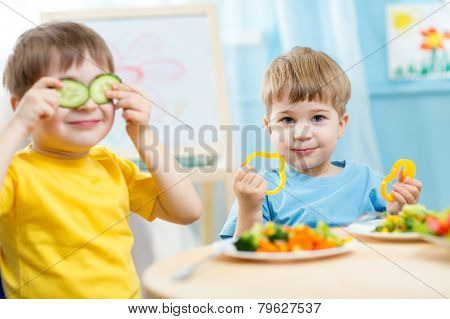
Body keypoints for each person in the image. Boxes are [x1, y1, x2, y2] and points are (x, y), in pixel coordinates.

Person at [0, 22, 201, 298]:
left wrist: (142, 134)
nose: (87, 104)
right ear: (21, 105)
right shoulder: (14, 173)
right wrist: (17, 125)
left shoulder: (112, 166)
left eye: (98, 88)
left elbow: (187, 211)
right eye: (65, 91)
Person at [221, 47, 422, 239]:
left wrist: (399, 214)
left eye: (317, 118)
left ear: (341, 125)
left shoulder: (370, 183)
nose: (301, 134)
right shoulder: (261, 192)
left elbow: (397, 244)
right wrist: (249, 209)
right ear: (270, 129)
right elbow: (243, 256)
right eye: (288, 120)